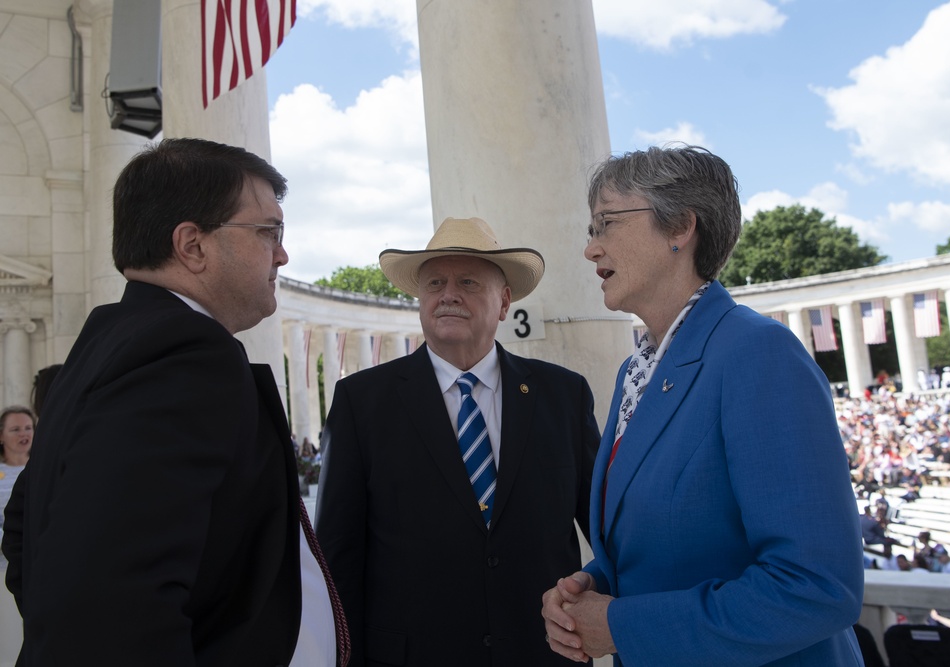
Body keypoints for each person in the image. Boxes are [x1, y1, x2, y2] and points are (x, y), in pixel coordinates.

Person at [1, 138, 348, 666]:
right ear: (192, 245)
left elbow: (30, 529)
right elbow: (111, 599)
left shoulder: (111, 345)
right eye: (268, 231)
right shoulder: (181, 353)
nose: (282, 253)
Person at [542, 145, 864, 666]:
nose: (590, 249)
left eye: (606, 224)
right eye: (590, 229)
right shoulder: (636, 372)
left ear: (680, 228)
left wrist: (620, 625)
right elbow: (681, 537)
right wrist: (594, 582)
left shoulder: (757, 353)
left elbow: (816, 585)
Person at [315, 217, 600, 666]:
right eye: (434, 283)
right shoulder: (361, 401)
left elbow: (603, 527)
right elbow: (338, 554)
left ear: (504, 302)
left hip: (542, 654)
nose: (448, 294)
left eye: (468, 281)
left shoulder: (563, 395)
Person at [0, 407, 35, 563]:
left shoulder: (45, 469)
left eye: (28, 428)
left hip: (32, 556)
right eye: (15, 429)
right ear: (1, 435)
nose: (24, 434)